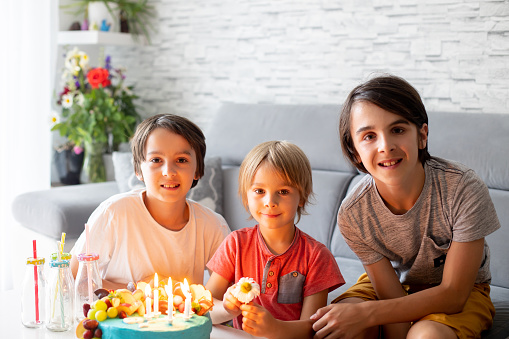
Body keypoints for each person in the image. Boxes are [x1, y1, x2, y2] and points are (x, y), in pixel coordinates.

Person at [311, 75, 500, 339]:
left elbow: (454, 294)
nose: (385, 146)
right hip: (395, 284)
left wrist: (369, 315)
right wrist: (367, 318)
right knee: (339, 326)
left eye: (397, 130)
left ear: (421, 135)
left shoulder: (462, 188)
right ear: (354, 151)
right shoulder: (353, 212)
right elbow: (389, 293)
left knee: (426, 336)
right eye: (369, 136)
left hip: (462, 291)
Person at [70, 114, 230, 289]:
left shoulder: (213, 225)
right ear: (138, 170)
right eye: (156, 160)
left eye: (181, 160)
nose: (169, 172)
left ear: (198, 170)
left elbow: (226, 293)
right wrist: (138, 289)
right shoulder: (114, 213)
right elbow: (74, 276)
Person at [206, 140, 344, 339]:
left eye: (283, 191)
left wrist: (275, 329)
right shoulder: (235, 243)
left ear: (302, 197)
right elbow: (205, 308)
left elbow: (312, 329)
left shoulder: (317, 256)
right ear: (246, 196)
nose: (270, 202)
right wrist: (227, 309)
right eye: (259, 191)